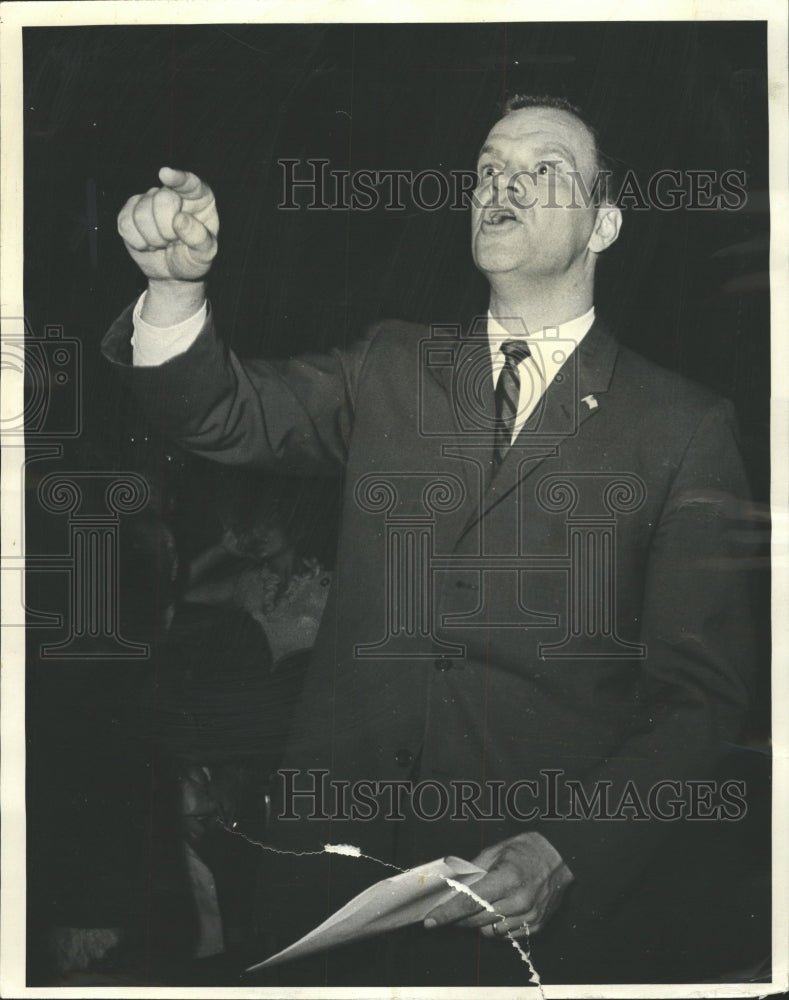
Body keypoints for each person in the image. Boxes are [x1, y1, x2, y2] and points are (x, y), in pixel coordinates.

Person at [102, 95, 756, 984]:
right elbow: (222, 413)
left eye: (543, 170)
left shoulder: (683, 426)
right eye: (489, 167)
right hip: (326, 887)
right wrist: (175, 289)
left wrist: (567, 849)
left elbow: (701, 701)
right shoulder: (392, 365)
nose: (502, 186)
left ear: (602, 224)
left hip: (524, 911)